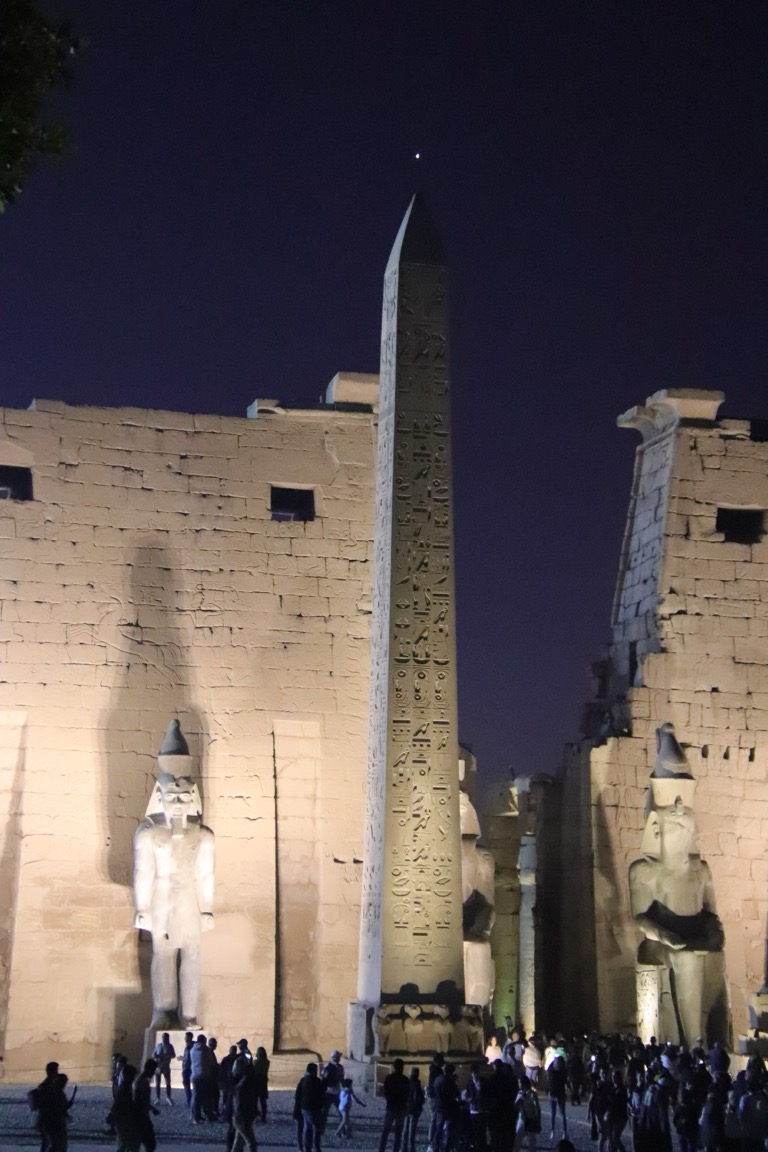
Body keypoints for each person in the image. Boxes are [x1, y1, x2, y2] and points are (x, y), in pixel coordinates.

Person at [133, 726, 215, 1029]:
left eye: (183, 797)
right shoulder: (150, 833)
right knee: (164, 953)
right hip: (162, 896)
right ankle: (163, 1012)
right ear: (159, 796)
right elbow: (143, 872)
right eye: (172, 797)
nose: (178, 803)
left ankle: (189, 1015)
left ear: (192, 796)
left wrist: (207, 909)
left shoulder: (203, 835)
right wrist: (141, 908)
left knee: (192, 954)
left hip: (189, 898)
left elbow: (206, 874)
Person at [379, 1057, 410, 1152]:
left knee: (385, 1132)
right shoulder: (405, 1080)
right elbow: (407, 1094)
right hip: (401, 1108)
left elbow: (385, 1092)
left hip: (391, 1107)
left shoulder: (389, 1078)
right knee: (398, 1133)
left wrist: (390, 1100)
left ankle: (381, 1150)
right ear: (402, 1067)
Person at [295, 1062, 326, 1152]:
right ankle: (316, 1147)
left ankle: (307, 1147)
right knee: (316, 1128)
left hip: (304, 1107)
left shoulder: (303, 1080)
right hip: (314, 1107)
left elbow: (298, 1094)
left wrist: (298, 1106)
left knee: (307, 1127)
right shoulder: (316, 1081)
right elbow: (321, 1093)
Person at [231, 1056, 259, 1152]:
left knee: (238, 1144)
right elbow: (242, 1103)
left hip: (239, 1117)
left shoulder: (242, 1084)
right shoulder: (244, 1085)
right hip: (242, 1118)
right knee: (251, 1144)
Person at [433, 1062, 460, 1152]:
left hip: (439, 1107)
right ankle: (446, 1148)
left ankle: (436, 1147)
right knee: (449, 1129)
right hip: (448, 1108)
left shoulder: (438, 1079)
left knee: (438, 1129)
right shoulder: (449, 1081)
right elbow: (455, 1093)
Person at [113, 1063, 141, 1152]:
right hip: (124, 1122)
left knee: (124, 1145)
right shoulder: (125, 1089)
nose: (133, 1078)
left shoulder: (125, 1087)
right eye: (132, 1075)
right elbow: (127, 1106)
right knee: (126, 1145)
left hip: (123, 1121)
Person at [190, 1033, 217, 1122]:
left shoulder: (192, 1050)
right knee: (206, 1097)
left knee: (196, 1097)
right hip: (204, 1076)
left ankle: (196, 1115)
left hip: (195, 1076)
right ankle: (207, 1115)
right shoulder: (207, 1050)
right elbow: (211, 1063)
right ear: (203, 1041)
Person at [133, 1060, 159, 1152]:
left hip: (141, 1114)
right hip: (141, 1116)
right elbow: (139, 1100)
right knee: (150, 1143)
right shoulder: (142, 1082)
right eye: (153, 1070)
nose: (153, 1073)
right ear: (148, 1068)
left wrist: (151, 1108)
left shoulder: (141, 1081)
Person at [514, 1075, 541, 1152]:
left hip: (531, 1120)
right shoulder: (519, 1094)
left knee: (532, 1143)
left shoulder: (532, 1094)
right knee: (517, 1141)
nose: (519, 1084)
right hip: (522, 1120)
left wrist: (538, 1122)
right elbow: (515, 1107)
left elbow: (538, 1109)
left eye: (520, 1082)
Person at [548, 1053, 569, 1143]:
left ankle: (556, 1131)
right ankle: (559, 1131)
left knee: (557, 1114)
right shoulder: (560, 1072)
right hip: (556, 1094)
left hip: (557, 1094)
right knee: (559, 1114)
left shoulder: (553, 1071)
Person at [403, 1067, 425, 1152]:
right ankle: (411, 1148)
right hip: (414, 1109)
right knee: (412, 1130)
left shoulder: (406, 1082)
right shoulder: (416, 1084)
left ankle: (404, 1147)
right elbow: (417, 1098)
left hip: (406, 1108)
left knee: (405, 1129)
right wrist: (419, 1106)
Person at [321, 1050, 344, 1129]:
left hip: (332, 1092)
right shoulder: (332, 1067)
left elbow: (323, 1079)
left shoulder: (330, 1066)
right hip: (331, 1092)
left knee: (325, 1112)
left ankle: (321, 1129)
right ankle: (321, 1129)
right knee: (326, 1112)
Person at [152, 1033, 175, 1104]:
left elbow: (173, 1055)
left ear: (168, 1038)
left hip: (166, 1067)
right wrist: (156, 1056)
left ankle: (168, 1097)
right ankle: (158, 1098)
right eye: (163, 1037)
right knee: (157, 1083)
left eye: (165, 1037)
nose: (164, 1039)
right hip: (158, 1066)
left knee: (168, 1083)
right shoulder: (158, 1046)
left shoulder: (170, 1046)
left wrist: (168, 1056)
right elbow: (154, 1054)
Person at [253, 1046, 270, 1122]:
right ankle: (263, 1117)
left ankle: (256, 1115)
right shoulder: (267, 1062)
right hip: (263, 1082)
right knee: (263, 1101)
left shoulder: (256, 1062)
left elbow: (253, 1070)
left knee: (255, 1100)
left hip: (256, 1082)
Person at [180, 1032, 194, 1110]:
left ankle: (190, 1101)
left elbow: (188, 1058)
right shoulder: (189, 1046)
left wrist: (181, 1058)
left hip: (187, 1069)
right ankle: (190, 1101)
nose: (185, 1038)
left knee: (187, 1085)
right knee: (187, 1086)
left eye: (186, 1037)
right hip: (187, 1068)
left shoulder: (190, 1046)